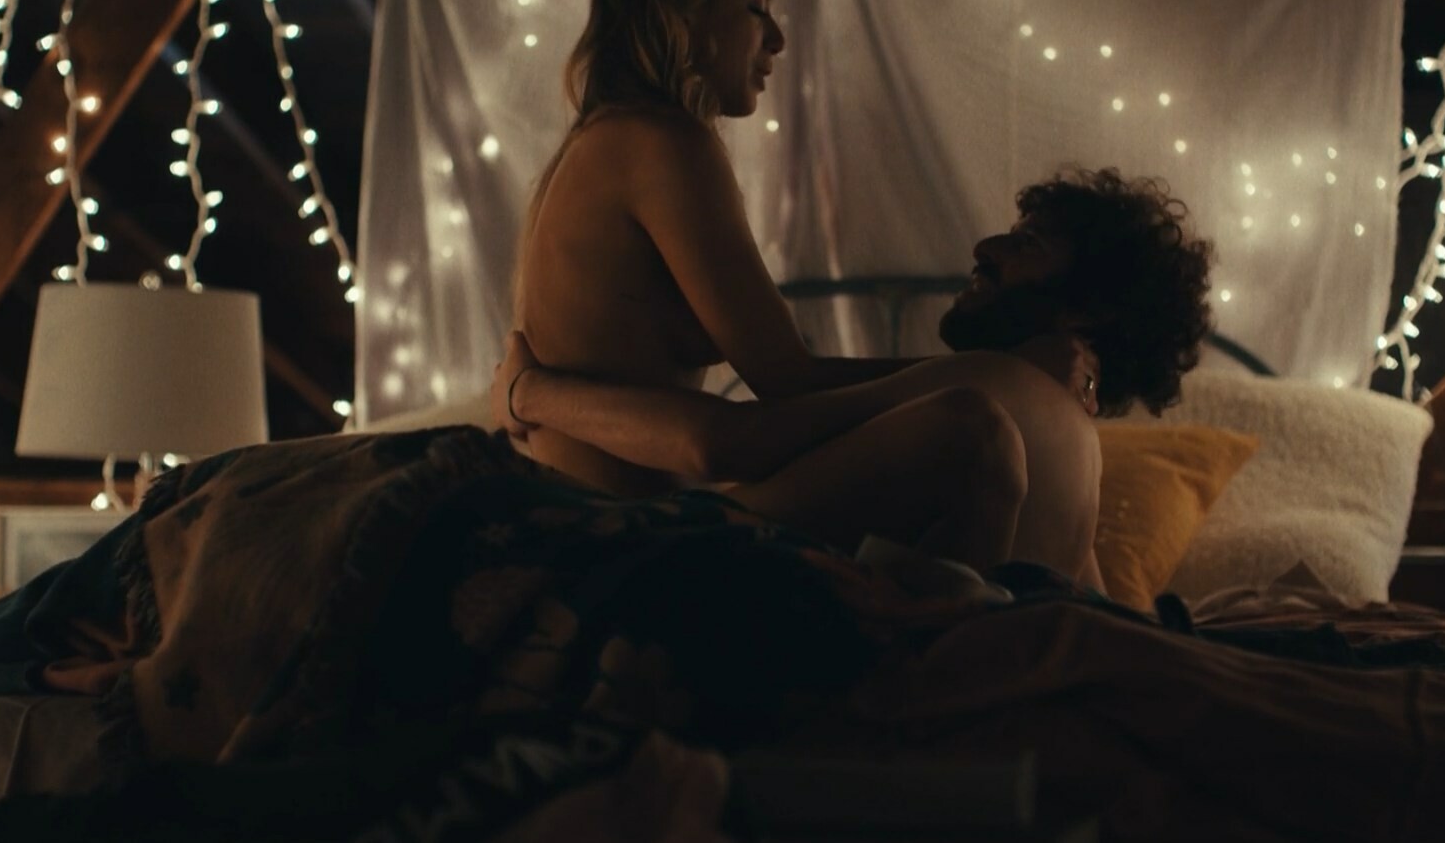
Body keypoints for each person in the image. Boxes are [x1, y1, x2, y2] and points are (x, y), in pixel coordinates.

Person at [515, 0, 1098, 578]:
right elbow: (787, 381)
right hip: (619, 533)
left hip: (630, 510)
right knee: (968, 436)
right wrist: (1007, 372)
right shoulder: (658, 143)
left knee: (956, 454)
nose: (777, 40)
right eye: (755, 6)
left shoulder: (613, 141)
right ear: (682, 8)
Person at [502, 169, 1216, 589]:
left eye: (1026, 244)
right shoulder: (1079, 462)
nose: (986, 246)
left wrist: (529, 393)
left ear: (1087, 310)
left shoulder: (986, 397)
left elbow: (723, 442)